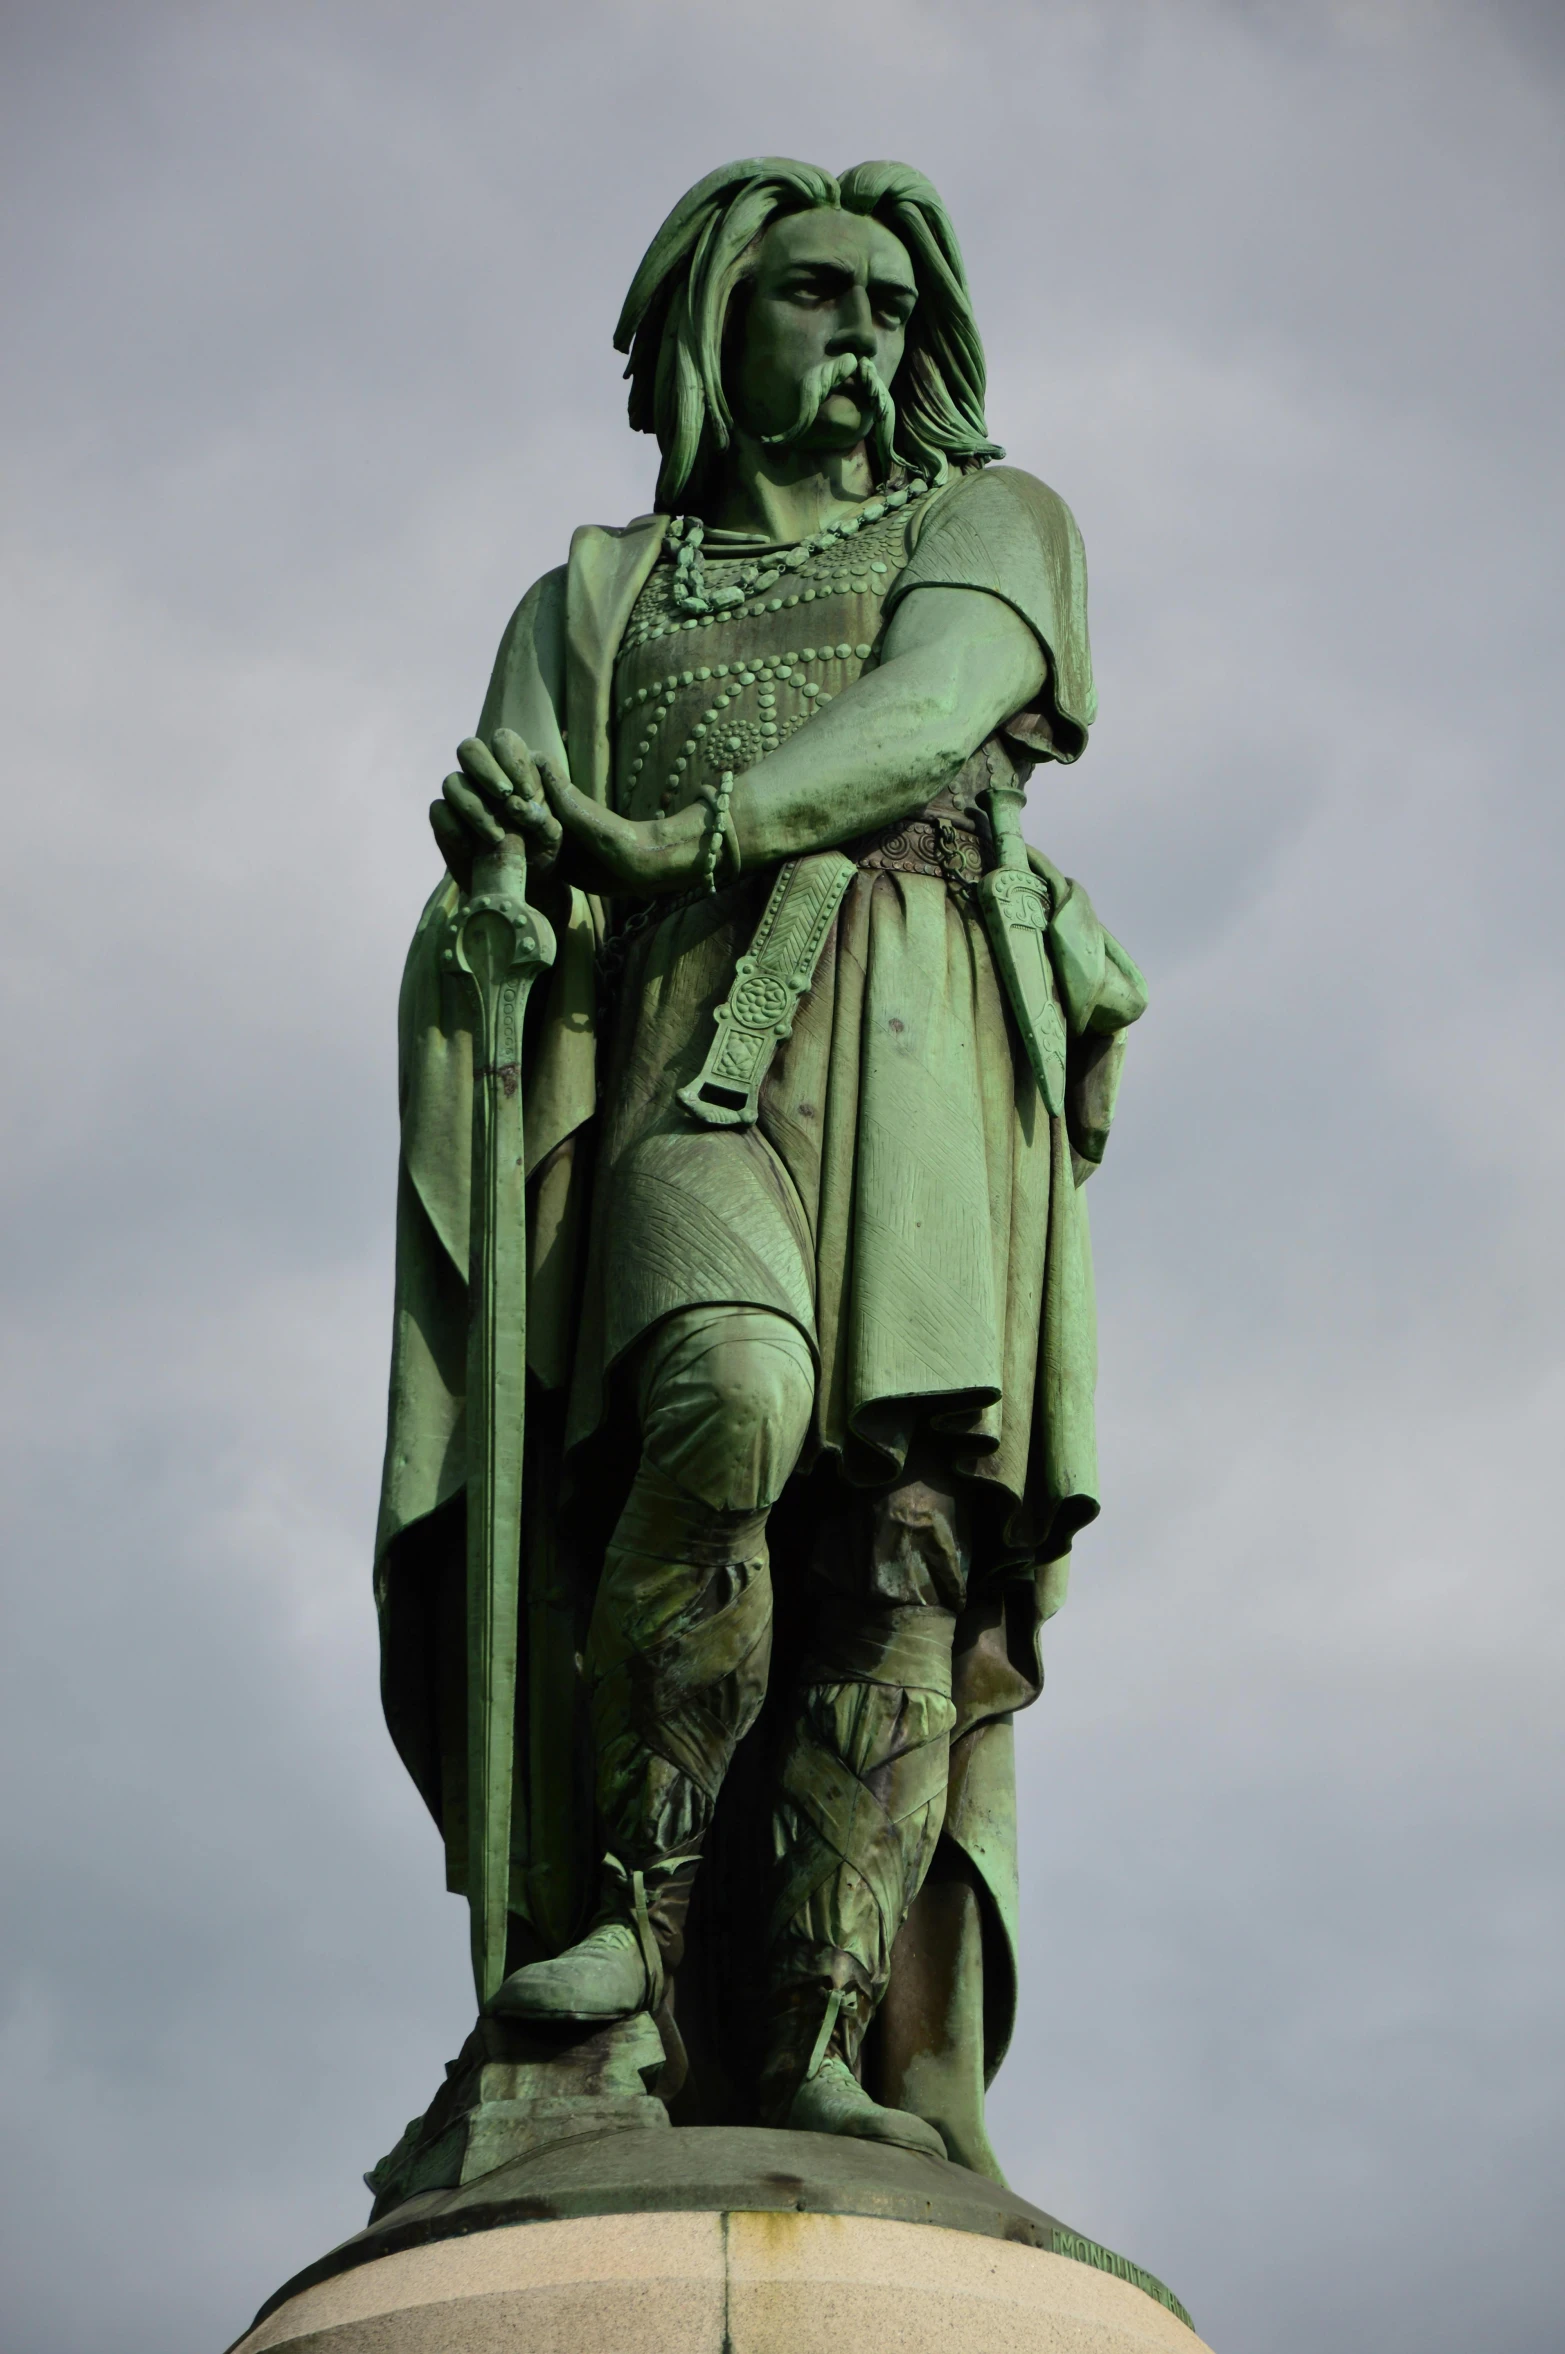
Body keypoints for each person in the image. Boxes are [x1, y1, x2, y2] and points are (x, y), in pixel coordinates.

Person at [376, 158, 1146, 2177]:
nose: (859, 341)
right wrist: (496, 891)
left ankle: (811, 2030)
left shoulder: (992, 523)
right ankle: (625, 1942)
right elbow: (513, 869)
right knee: (723, 1401)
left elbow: (928, 713)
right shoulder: (593, 603)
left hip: (913, 1022)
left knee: (898, 1533)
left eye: (888, 309)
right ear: (716, 330)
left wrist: (677, 838)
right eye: (814, 297)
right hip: (680, 1053)